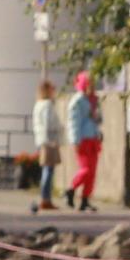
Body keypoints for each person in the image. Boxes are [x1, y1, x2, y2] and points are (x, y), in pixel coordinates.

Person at [66, 71, 104, 212]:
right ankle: (71, 189)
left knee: (92, 172)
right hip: (83, 139)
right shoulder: (78, 101)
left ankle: (85, 200)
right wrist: (75, 140)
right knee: (86, 170)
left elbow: (99, 120)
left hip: (93, 138)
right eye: (89, 84)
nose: (92, 87)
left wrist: (97, 113)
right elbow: (73, 122)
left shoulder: (94, 100)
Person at [28, 81, 64, 213]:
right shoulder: (48, 104)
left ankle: (45, 198)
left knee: (46, 169)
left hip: (41, 139)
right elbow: (49, 123)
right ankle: (45, 199)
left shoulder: (38, 104)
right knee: (48, 170)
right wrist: (54, 137)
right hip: (49, 140)